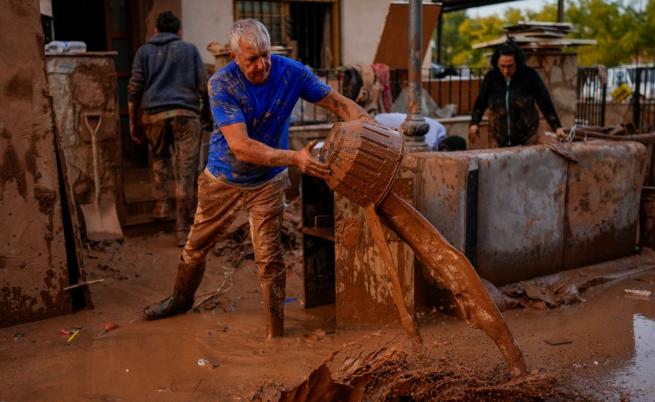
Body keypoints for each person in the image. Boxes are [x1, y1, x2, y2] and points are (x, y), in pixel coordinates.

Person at [143, 19, 373, 339]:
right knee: (195, 249)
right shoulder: (222, 84)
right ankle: (180, 300)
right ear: (235, 57)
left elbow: (337, 104)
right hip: (223, 178)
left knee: (269, 258)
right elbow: (241, 147)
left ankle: (274, 333)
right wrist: (295, 158)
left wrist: (372, 129)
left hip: (268, 181)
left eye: (264, 55)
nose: (261, 65)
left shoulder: (290, 71)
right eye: (251, 59)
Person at [128, 11, 209, 247]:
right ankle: (183, 230)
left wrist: (134, 123)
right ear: (179, 32)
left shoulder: (144, 51)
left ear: (155, 31)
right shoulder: (190, 50)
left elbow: (134, 90)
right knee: (185, 172)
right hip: (186, 115)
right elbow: (204, 85)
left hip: (153, 116)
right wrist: (207, 115)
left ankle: (161, 203)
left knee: (160, 158)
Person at [469, 40, 565, 147]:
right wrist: (474, 123)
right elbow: (480, 102)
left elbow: (545, 101)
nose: (505, 71)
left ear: (518, 63)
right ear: (496, 63)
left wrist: (557, 127)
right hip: (497, 136)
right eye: (502, 66)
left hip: (527, 136)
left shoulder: (530, 75)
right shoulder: (491, 77)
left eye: (510, 66)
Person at [374, 112, 447, 150]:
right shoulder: (432, 140)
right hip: (379, 124)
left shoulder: (440, 128)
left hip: (381, 119)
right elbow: (423, 149)